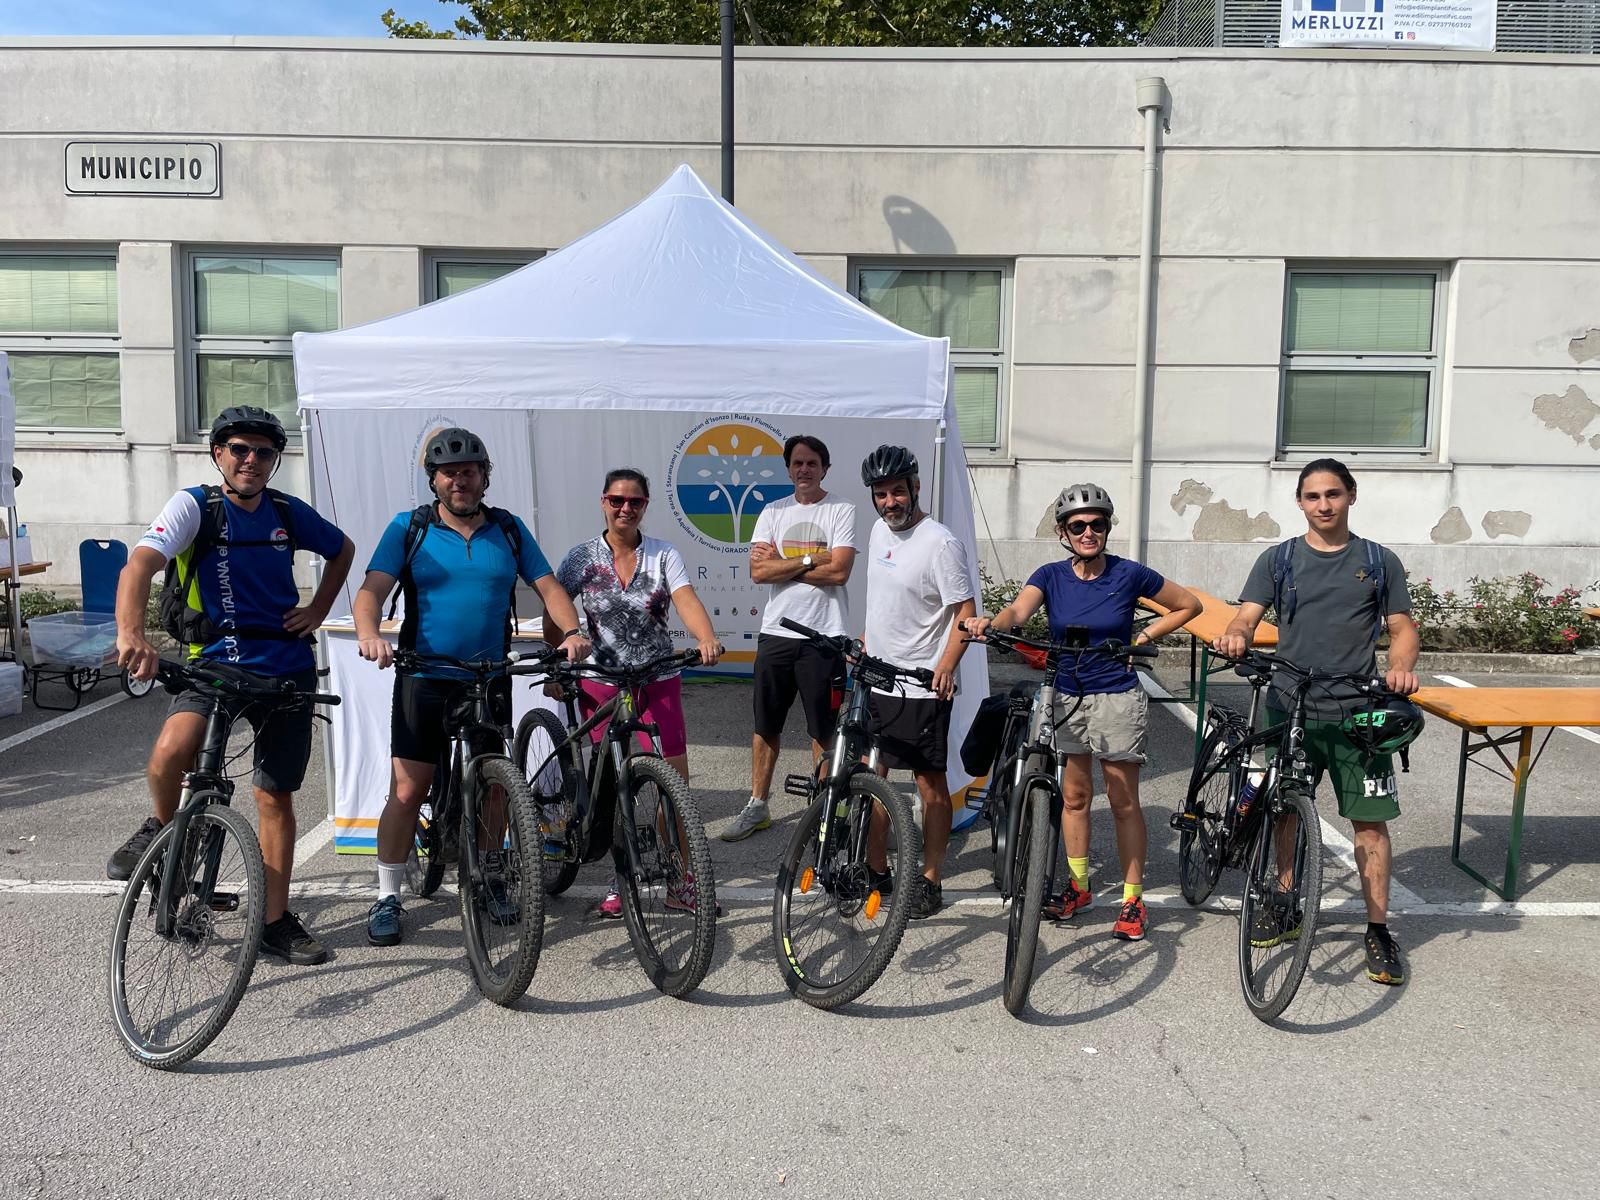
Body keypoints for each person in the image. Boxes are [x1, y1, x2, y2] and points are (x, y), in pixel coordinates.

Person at [111, 405, 356, 966]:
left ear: (274, 461)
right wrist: (132, 634)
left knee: (275, 795)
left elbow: (341, 549)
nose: (251, 460)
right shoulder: (196, 506)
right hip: (215, 662)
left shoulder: (288, 512)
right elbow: (139, 566)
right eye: (239, 449)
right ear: (218, 454)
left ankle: (273, 920)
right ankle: (163, 825)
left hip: (283, 667)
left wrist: (318, 608)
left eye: (263, 452)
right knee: (174, 749)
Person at [353, 427, 590, 947]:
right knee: (409, 789)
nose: (459, 480)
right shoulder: (409, 527)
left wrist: (571, 631)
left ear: (484, 476)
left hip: (487, 678)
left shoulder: (507, 529)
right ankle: (388, 895)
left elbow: (549, 587)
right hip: (424, 676)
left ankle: (489, 877)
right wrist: (369, 634)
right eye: (449, 472)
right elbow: (371, 590)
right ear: (433, 480)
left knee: (494, 783)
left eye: (469, 471)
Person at [963, 483, 1202, 942]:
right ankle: (1079, 886)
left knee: (1121, 800)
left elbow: (1188, 605)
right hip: (1066, 694)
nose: (1089, 532)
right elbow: (1017, 610)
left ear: (1107, 528)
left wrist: (1146, 637)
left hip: (1115, 695)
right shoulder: (1051, 575)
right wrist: (990, 623)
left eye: (1097, 524)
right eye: (1079, 526)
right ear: (1063, 532)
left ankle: (1133, 899)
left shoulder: (1128, 574)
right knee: (1073, 798)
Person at [1214, 458, 1419, 986]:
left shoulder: (1378, 560)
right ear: (1300, 503)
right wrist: (1237, 633)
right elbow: (1246, 614)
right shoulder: (1278, 559)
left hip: (1359, 713)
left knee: (1370, 824)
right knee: (1285, 811)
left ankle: (1377, 929)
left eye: (1333, 494)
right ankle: (1285, 901)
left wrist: (1400, 666)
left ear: (1351, 495)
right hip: (1292, 706)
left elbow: (1401, 627)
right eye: (1312, 497)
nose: (1323, 505)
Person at [554, 467, 723, 917]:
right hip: (601, 679)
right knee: (614, 783)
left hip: (657, 675)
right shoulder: (581, 558)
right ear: (603, 502)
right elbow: (557, 608)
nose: (625, 508)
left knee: (675, 784)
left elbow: (685, 598)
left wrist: (705, 636)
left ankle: (679, 880)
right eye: (617, 500)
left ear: (645, 506)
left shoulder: (663, 554)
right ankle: (620, 877)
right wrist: (562, 650)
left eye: (635, 502)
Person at [859, 444, 976, 920]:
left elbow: (965, 614)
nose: (890, 502)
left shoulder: (940, 543)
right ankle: (875, 872)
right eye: (882, 494)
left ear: (916, 488)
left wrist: (946, 665)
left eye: (898, 492)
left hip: (923, 684)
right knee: (873, 782)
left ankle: (930, 877)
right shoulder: (876, 531)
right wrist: (867, 636)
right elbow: (883, 595)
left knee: (931, 786)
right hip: (879, 680)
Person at [724, 434, 858, 842]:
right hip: (776, 633)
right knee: (766, 725)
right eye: (797, 463)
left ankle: (826, 809)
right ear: (788, 468)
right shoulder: (771, 511)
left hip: (825, 635)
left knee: (823, 729)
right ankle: (758, 805)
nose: (804, 470)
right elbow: (758, 573)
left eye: (812, 463)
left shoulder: (841, 510)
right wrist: (809, 558)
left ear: (824, 468)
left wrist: (783, 563)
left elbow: (839, 572)